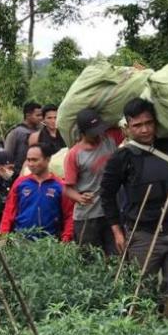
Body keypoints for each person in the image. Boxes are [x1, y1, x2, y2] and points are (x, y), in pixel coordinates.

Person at [100, 98, 168, 315]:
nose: (144, 129)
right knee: (139, 293)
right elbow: (106, 194)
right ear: (127, 127)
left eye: (148, 123)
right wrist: (117, 231)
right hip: (143, 234)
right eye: (137, 125)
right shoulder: (122, 157)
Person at [63, 109, 124, 255]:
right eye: (92, 133)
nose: (97, 135)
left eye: (99, 130)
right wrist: (79, 197)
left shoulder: (110, 139)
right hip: (87, 217)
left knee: (117, 258)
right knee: (90, 261)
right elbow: (67, 189)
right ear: (82, 133)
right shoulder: (74, 154)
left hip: (111, 213)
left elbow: (124, 127)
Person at [0, 143, 74, 241]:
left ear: (47, 159)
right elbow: (9, 211)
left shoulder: (60, 185)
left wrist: (66, 239)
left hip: (50, 243)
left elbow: (69, 215)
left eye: (35, 160)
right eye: (28, 160)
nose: (30, 164)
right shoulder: (20, 183)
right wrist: (3, 236)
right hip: (21, 242)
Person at [5, 102, 43, 177]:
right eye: (37, 115)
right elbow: (7, 156)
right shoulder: (16, 133)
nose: (41, 118)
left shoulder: (40, 132)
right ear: (28, 116)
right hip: (17, 174)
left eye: (41, 115)